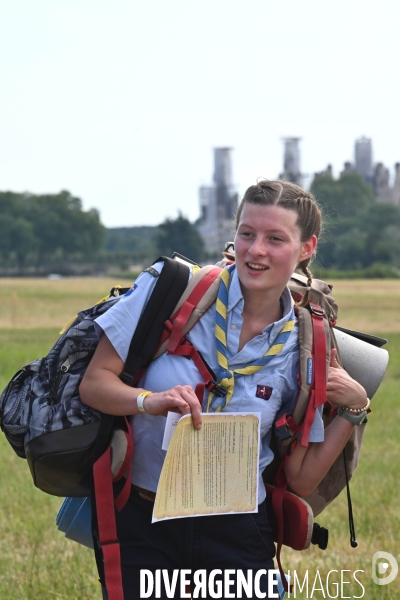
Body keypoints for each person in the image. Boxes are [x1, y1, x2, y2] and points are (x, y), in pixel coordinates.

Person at [80, 180, 368, 600]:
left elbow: (301, 478)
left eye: (275, 239)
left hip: (237, 528)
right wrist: (148, 401)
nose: (256, 251)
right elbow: (94, 383)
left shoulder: (308, 344)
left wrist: (354, 408)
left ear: (307, 248)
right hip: (144, 518)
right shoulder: (172, 291)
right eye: (247, 234)